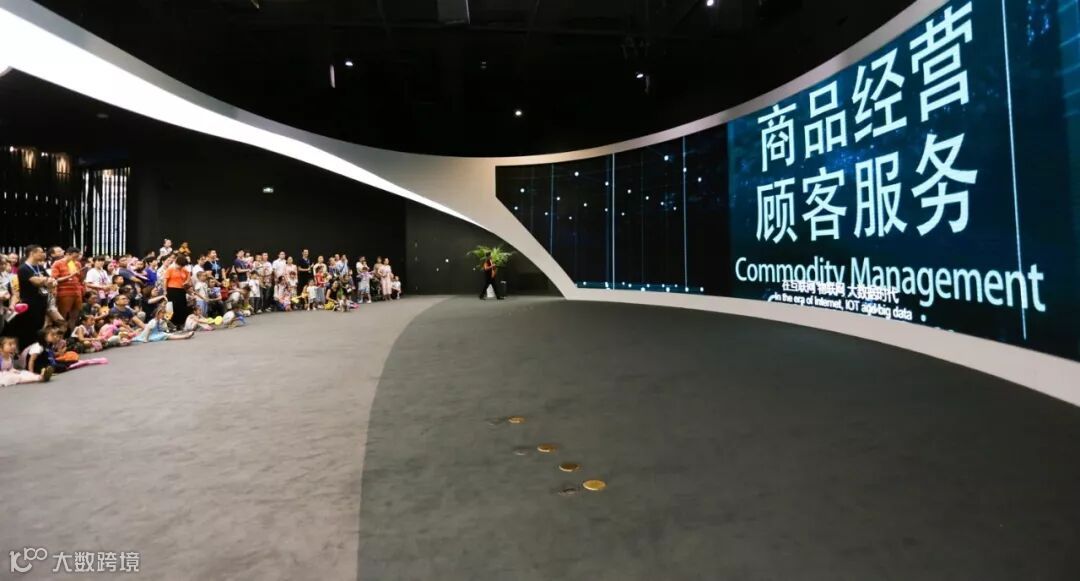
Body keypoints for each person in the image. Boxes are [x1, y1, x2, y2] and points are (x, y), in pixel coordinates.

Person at [8, 245, 51, 350]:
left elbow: (51, 281)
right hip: (29, 304)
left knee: (39, 327)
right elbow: (36, 282)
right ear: (32, 253)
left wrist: (44, 280)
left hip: (41, 301)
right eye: (41, 252)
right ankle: (26, 351)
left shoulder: (40, 267)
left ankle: (37, 351)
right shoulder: (23, 268)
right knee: (28, 329)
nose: (43, 254)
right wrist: (45, 280)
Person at [50, 247, 85, 329]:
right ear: (67, 254)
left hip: (77, 292)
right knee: (62, 316)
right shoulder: (57, 263)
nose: (76, 259)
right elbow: (54, 279)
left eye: (77, 257)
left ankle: (71, 334)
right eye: (74, 257)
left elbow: (80, 279)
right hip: (64, 293)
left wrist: (82, 273)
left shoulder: (77, 263)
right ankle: (60, 334)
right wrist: (70, 276)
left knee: (75, 316)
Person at [164, 255, 192, 325]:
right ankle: (170, 324)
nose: (181, 267)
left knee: (182, 307)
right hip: (172, 290)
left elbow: (188, 277)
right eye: (180, 265)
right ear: (176, 263)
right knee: (172, 307)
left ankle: (181, 323)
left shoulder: (184, 270)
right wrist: (165, 291)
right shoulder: (170, 269)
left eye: (182, 265)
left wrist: (186, 282)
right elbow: (165, 280)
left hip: (181, 290)